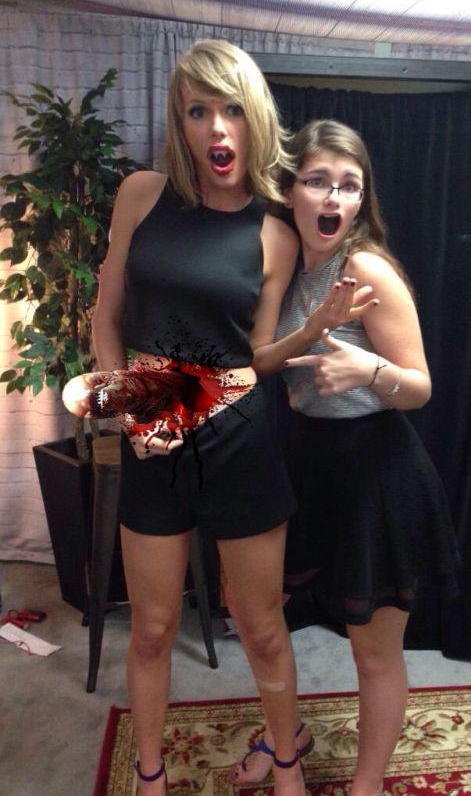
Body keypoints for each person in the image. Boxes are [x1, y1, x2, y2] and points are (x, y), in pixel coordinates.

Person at [91, 40, 320, 796]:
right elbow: (107, 315)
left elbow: (257, 358)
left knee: (260, 627)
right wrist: (127, 404)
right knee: (153, 627)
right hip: (151, 430)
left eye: (231, 110)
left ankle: (286, 765)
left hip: (238, 437)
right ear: (179, 122)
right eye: (198, 112)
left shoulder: (275, 230)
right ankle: (150, 776)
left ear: (255, 119)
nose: (217, 129)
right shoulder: (141, 196)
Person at [236, 119, 459, 796]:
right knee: (256, 612)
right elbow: (260, 358)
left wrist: (369, 371)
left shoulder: (364, 268)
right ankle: (289, 738)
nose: (333, 197)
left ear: (362, 199)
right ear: (291, 191)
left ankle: (366, 786)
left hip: (377, 472)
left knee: (374, 651)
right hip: (306, 463)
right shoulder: (286, 265)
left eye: (349, 185)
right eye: (318, 181)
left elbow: (420, 386)